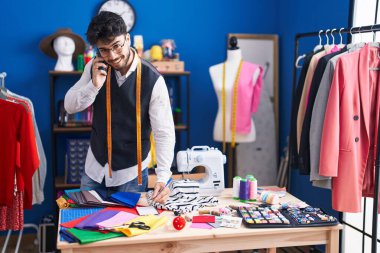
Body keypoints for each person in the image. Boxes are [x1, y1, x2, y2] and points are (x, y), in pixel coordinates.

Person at [64, 11, 175, 203]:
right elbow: (70, 106)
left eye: (116, 46)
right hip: (94, 172)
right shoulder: (94, 67)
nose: (112, 55)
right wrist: (93, 86)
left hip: (131, 176)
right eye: (104, 50)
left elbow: (164, 132)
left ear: (128, 38)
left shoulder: (153, 80)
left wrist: (163, 177)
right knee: (84, 227)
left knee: (125, 229)